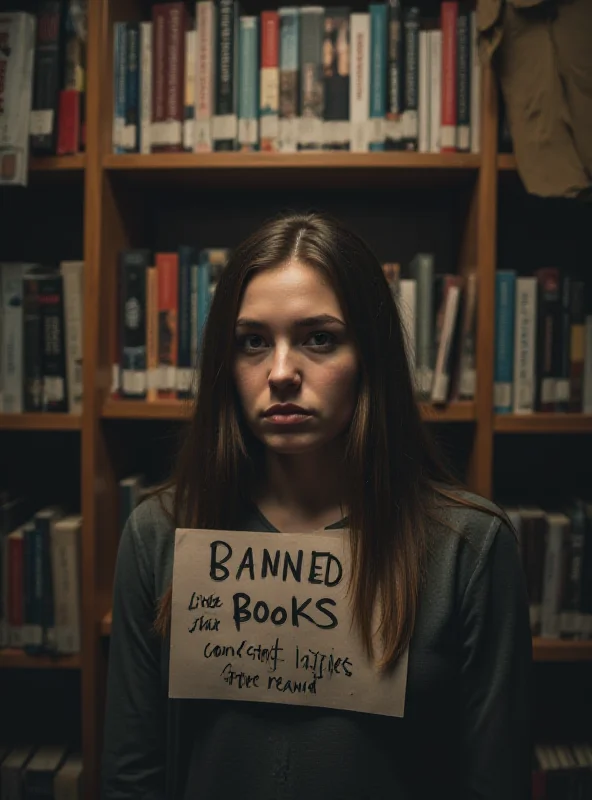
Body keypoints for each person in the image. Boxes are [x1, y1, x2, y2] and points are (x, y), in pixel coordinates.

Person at [101, 212, 533, 800]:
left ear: (370, 357)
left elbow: (494, 780)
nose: (281, 373)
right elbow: (133, 774)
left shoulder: (469, 547)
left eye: (319, 338)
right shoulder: (157, 534)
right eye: (253, 342)